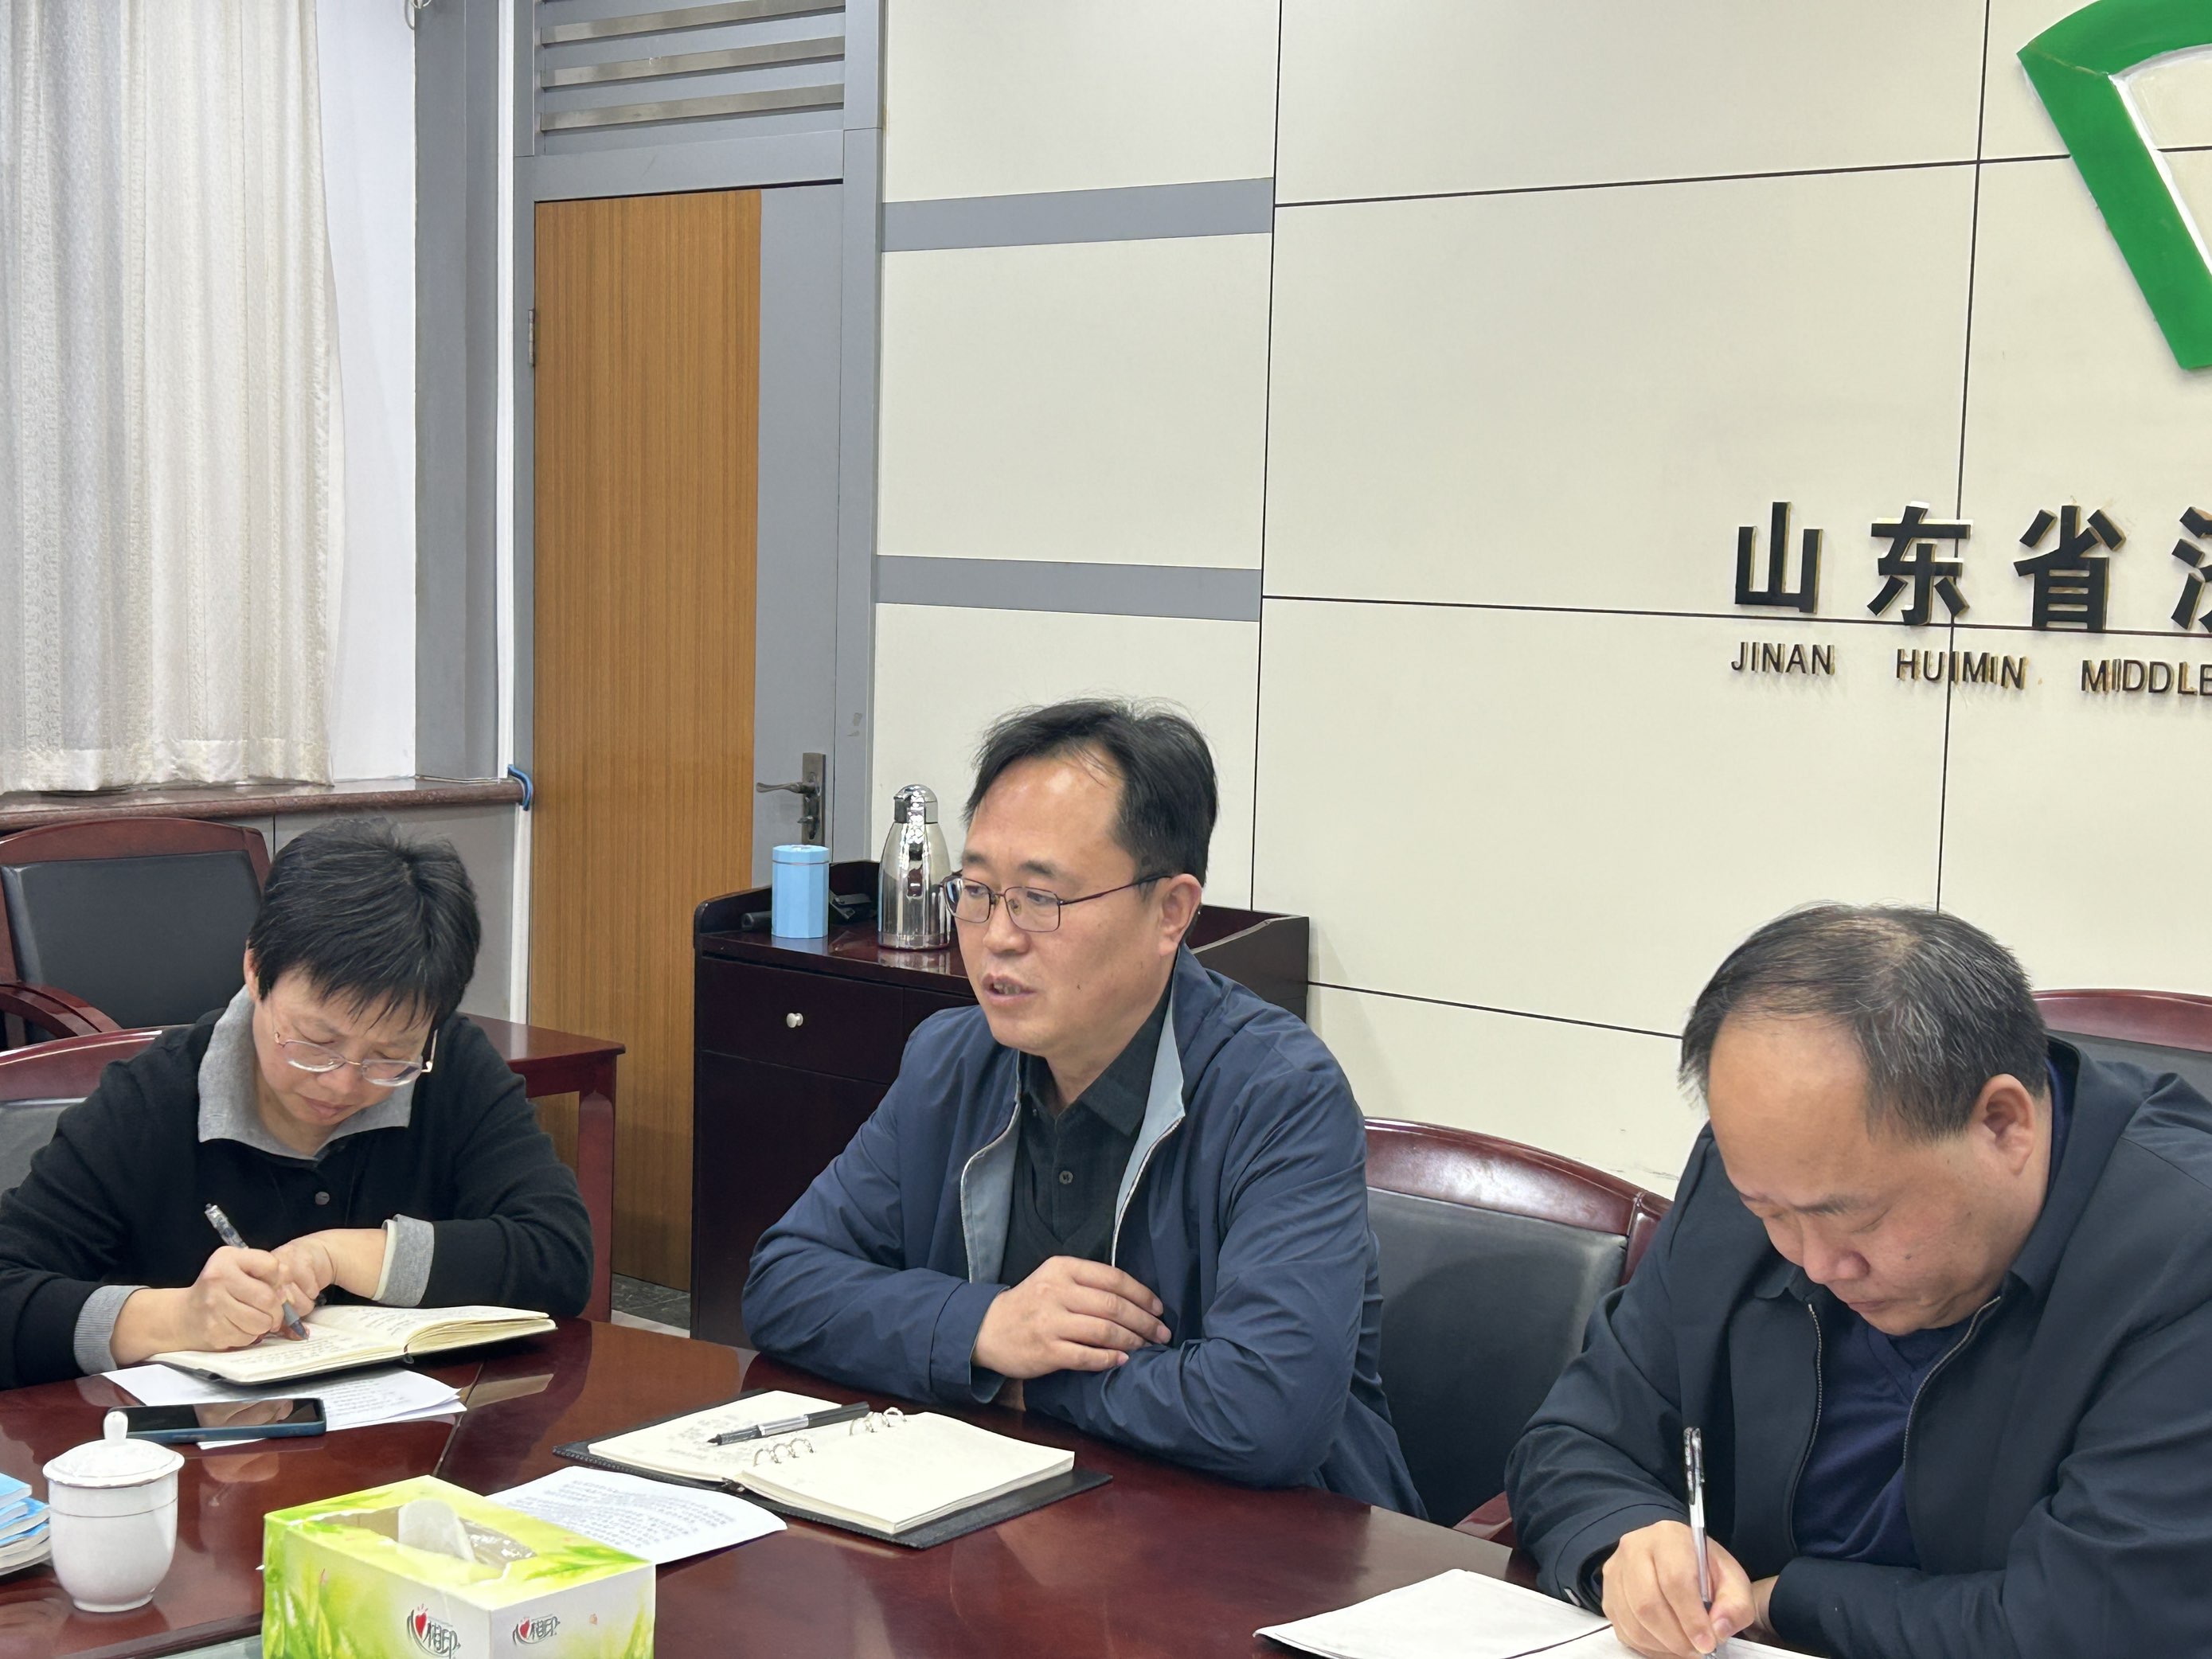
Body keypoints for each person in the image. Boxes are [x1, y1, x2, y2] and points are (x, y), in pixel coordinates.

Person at [744, 699, 1420, 1513]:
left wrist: (1027, 1378)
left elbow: (1268, 1412)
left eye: (1040, 898)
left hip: (1263, 1550)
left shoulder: (1278, 1094)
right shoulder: (951, 1060)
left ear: (1170, 912)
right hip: (1007, 1522)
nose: (997, 936)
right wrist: (986, 1328)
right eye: (977, 890)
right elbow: (785, 1282)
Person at [1505, 904, 2212, 1658]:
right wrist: (1631, 1540)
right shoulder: (1771, 1172)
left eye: (1858, 1219)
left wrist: (1787, 1604)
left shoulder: (2184, 1253)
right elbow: (1575, 1438)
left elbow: (2099, 1624)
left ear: (2003, 1124)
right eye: (1771, 1214)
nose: (1816, 1264)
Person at [0, 819, 592, 1388]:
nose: (343, 1085)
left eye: (389, 1057)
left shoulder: (453, 1067)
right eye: (316, 1043)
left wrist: (340, 1254)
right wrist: (175, 1318)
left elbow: (559, 1257)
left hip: (418, 1436)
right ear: (256, 969)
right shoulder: (151, 1102)